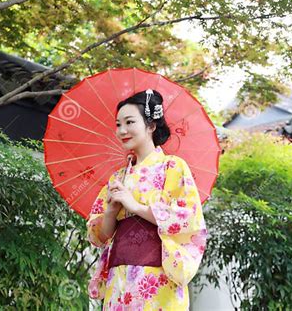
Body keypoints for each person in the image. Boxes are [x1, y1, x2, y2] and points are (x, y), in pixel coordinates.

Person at [86, 89, 207, 310]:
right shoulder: (117, 178)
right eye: (118, 124)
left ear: (151, 125)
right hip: (119, 276)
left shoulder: (173, 166)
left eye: (129, 122)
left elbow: (187, 219)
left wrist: (135, 206)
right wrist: (112, 212)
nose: (122, 130)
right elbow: (100, 236)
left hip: (157, 277)